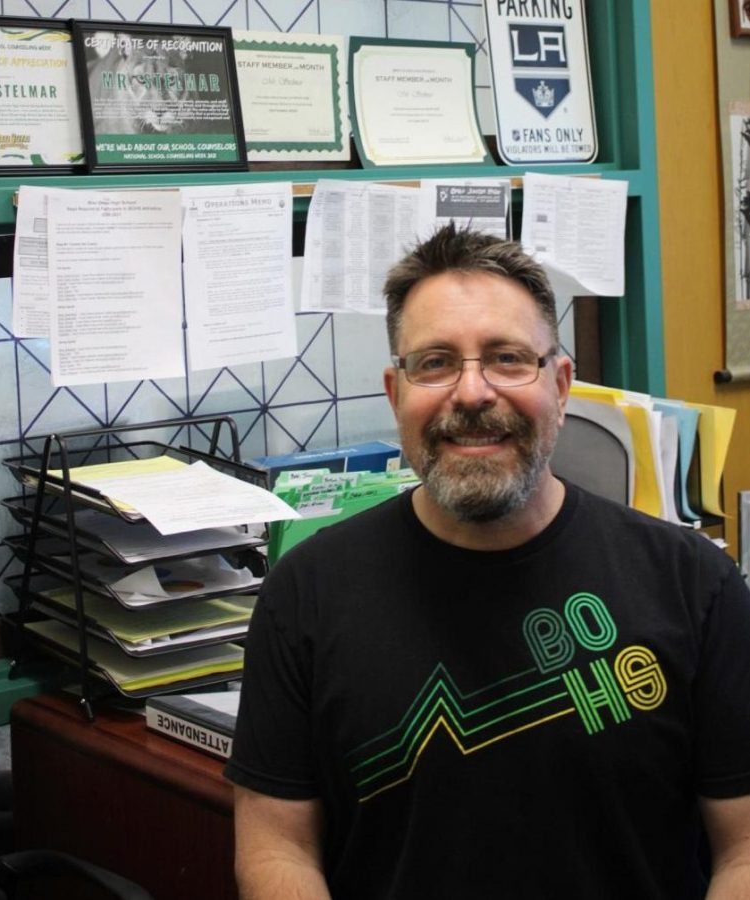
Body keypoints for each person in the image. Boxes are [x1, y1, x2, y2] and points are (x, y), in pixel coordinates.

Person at [224, 223, 750, 899]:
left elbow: (742, 847)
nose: (471, 394)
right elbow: (276, 848)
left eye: (506, 358)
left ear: (560, 386)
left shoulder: (691, 583)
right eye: (435, 362)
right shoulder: (307, 594)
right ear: (395, 394)